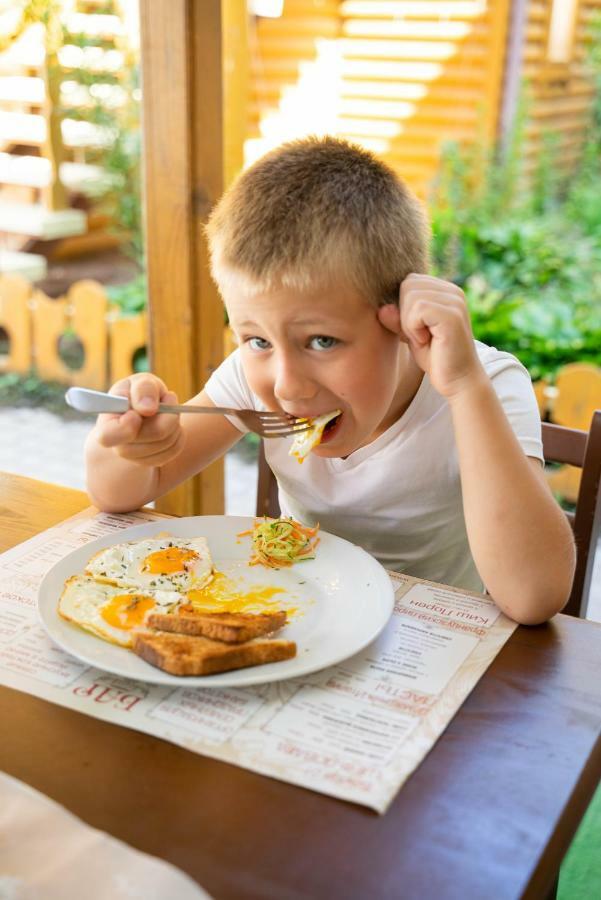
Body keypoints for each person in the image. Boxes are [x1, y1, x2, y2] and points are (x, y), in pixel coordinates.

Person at [85, 136, 575, 625]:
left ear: (404, 323)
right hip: (303, 618)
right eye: (257, 340)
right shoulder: (251, 376)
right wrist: (124, 442)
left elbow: (533, 596)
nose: (287, 386)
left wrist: (465, 388)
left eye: (322, 341)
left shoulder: (485, 384)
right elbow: (121, 492)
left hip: (431, 637)